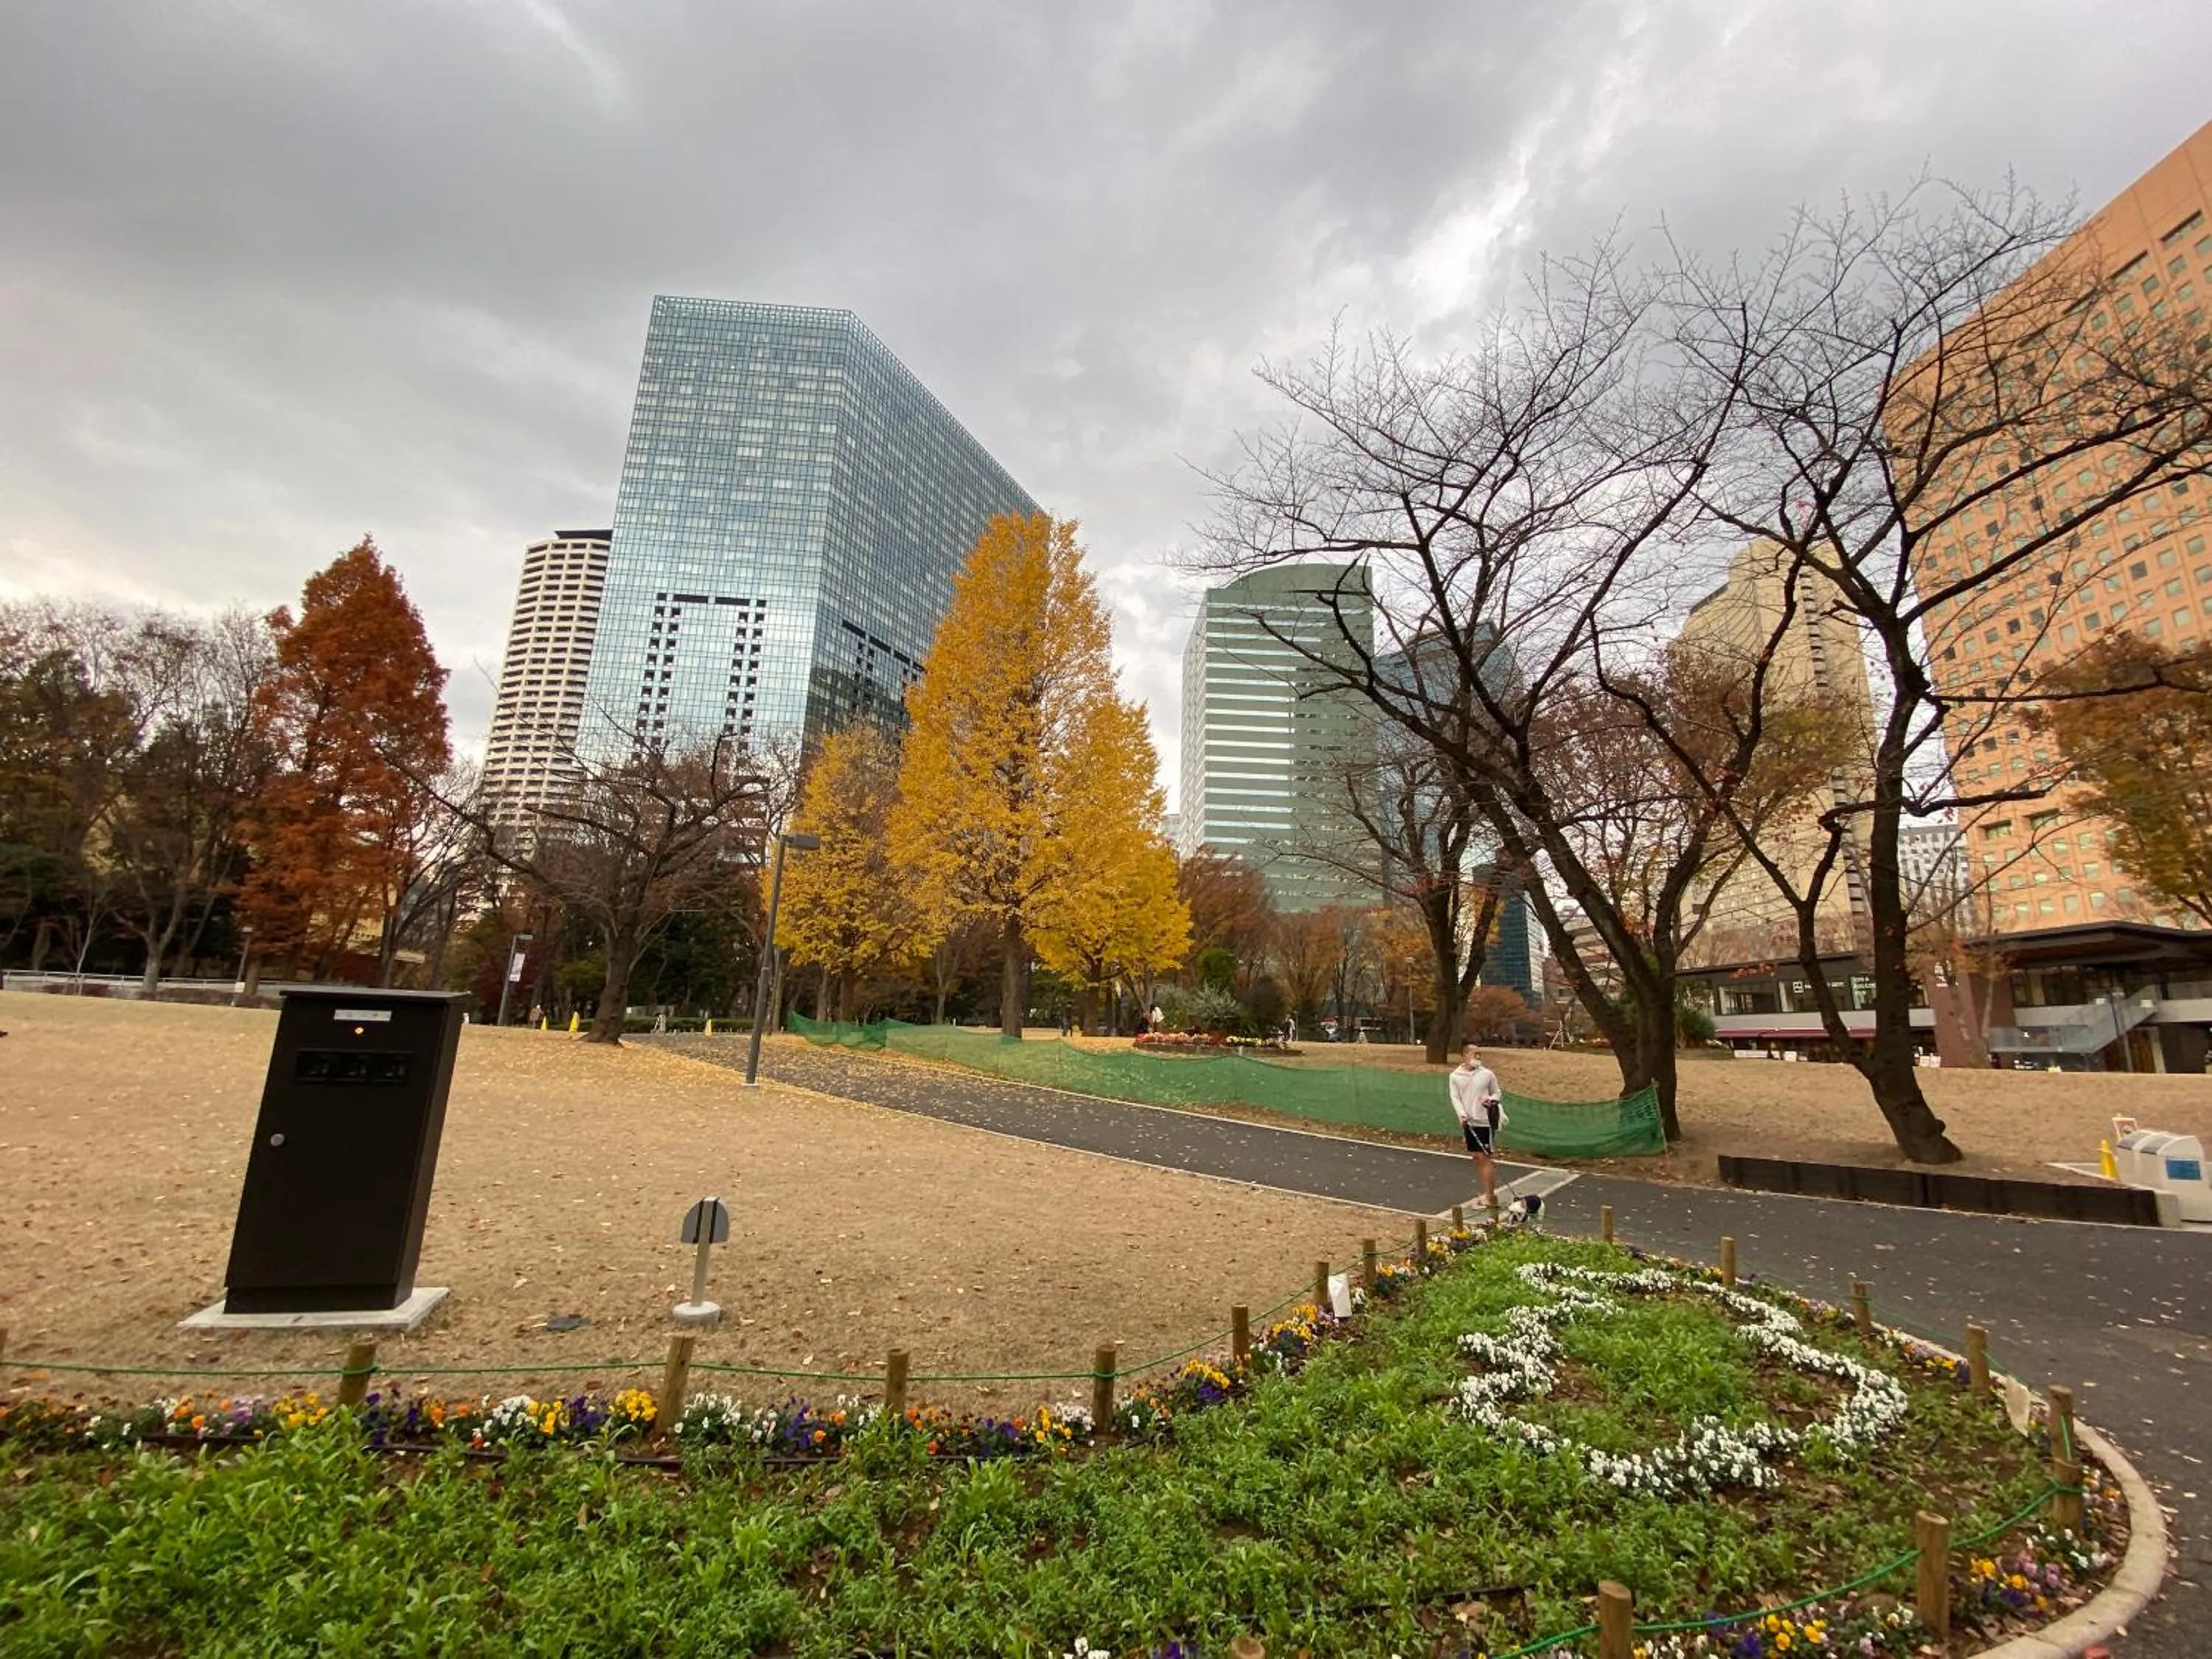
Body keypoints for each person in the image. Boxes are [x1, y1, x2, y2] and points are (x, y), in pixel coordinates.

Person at [1450, 1040, 1506, 1213]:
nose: (1478, 1056)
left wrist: (1491, 1100)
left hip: (1485, 1121)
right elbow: (1455, 1097)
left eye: (1480, 1054)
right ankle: (1487, 1193)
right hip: (1469, 1122)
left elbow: (1497, 1093)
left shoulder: (1487, 1074)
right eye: (1475, 1054)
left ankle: (1490, 1197)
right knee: (1476, 1157)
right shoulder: (1455, 1076)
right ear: (1465, 1056)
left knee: (1485, 1158)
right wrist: (1462, 1114)